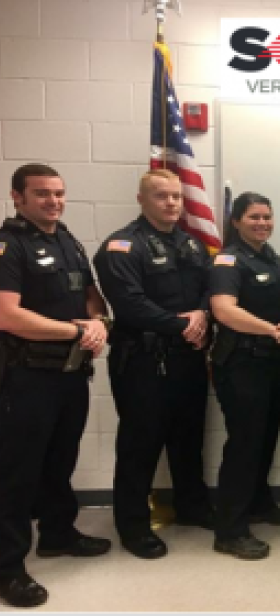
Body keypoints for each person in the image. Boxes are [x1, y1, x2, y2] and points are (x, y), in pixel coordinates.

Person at [0, 163, 111, 608]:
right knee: (17, 474)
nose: (53, 201)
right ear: (18, 197)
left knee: (60, 461)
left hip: (70, 374)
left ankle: (58, 533)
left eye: (59, 192)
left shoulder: (68, 240)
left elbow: (91, 297)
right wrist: (76, 331)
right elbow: (7, 315)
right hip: (26, 378)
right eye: (42, 193)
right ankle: (9, 568)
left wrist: (98, 324)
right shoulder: (10, 245)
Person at [93, 169, 213, 560]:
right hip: (143, 361)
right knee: (140, 444)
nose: (172, 203)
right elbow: (130, 305)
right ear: (141, 199)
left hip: (187, 359)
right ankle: (132, 525)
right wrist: (185, 323)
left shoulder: (192, 246)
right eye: (161, 196)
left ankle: (192, 506)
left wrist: (203, 315)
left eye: (177, 196)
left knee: (188, 438)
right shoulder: (122, 247)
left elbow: (211, 290)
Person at [209, 192, 280, 560]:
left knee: (265, 439)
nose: (262, 223)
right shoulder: (229, 260)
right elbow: (223, 310)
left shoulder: (271, 256)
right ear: (236, 221)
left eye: (267, 216)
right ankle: (230, 530)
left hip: (269, 361)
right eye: (254, 218)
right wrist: (269, 328)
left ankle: (259, 503)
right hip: (241, 364)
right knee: (244, 445)